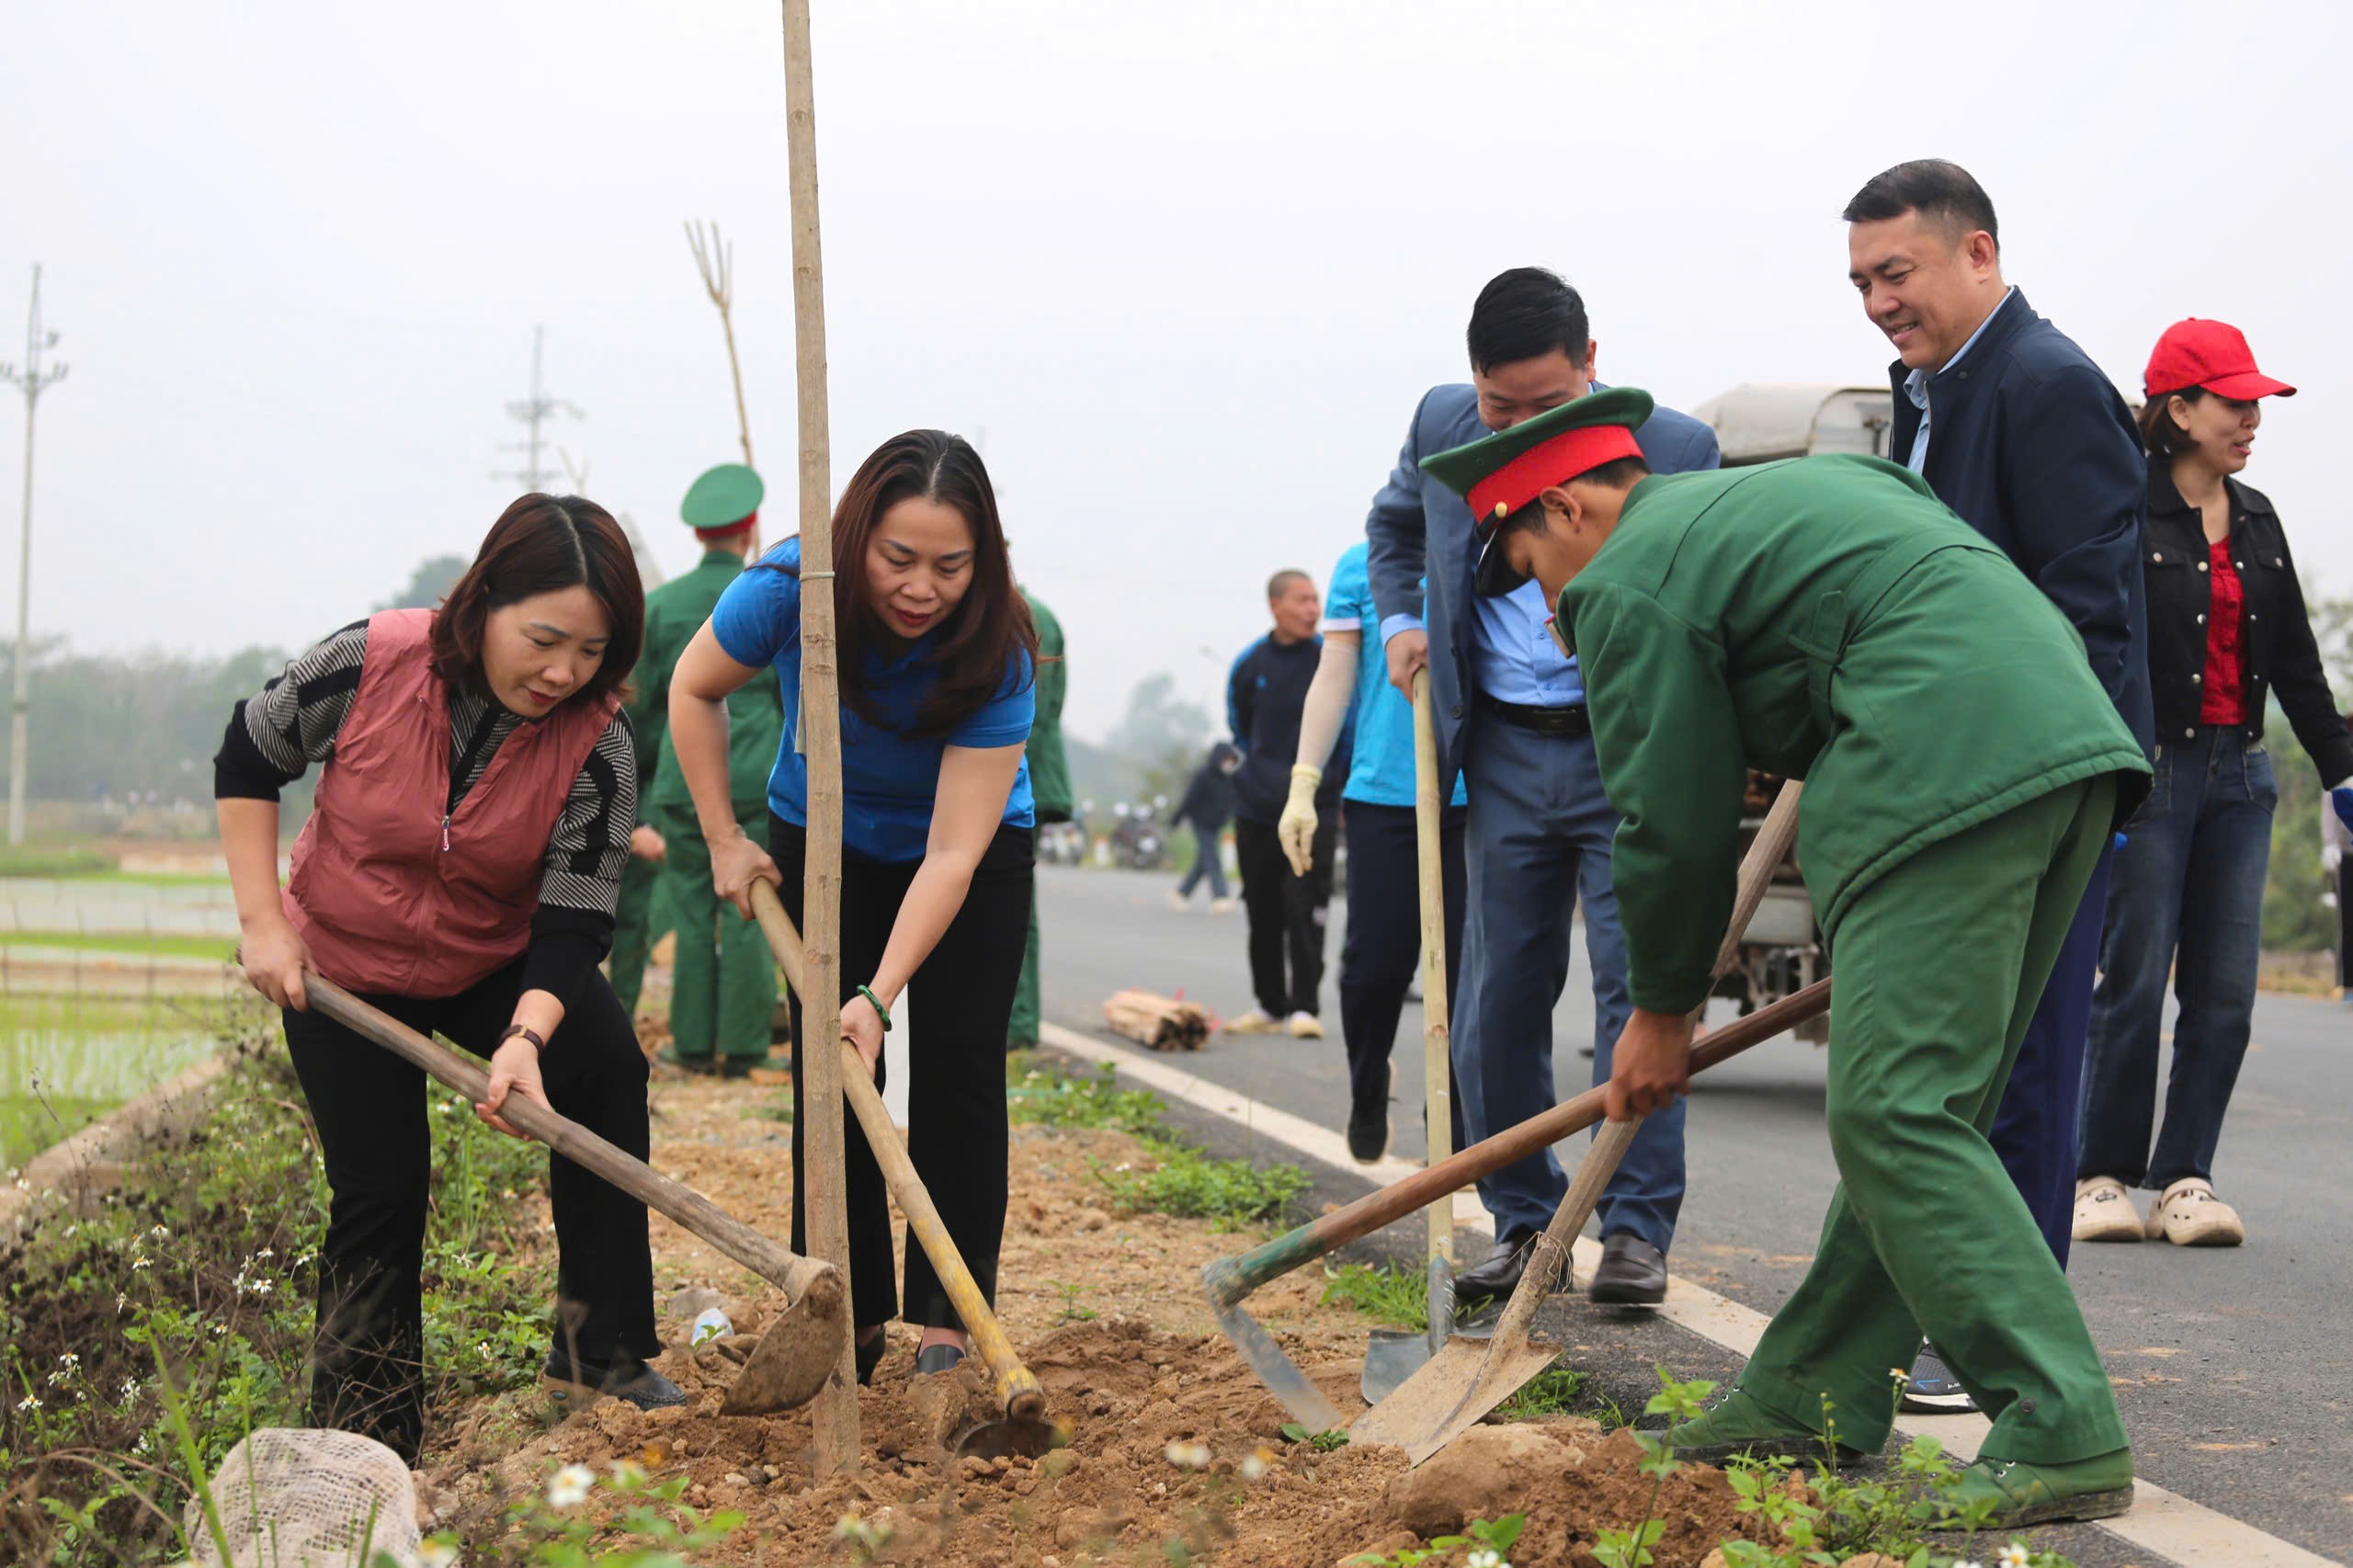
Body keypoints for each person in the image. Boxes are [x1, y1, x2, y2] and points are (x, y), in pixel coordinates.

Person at [1426, 385, 2147, 1528]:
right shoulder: (1775, 496)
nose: (1545, 605)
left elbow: (1666, 819)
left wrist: (1661, 1008)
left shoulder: (1629, 581)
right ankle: (1814, 1386)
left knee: (1896, 1113)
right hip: (2064, 746)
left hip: (1940, 757)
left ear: (1564, 508)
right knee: (1917, 1108)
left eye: (1528, 568)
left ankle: (2059, 1418)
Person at [213, 494, 675, 1463]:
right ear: (485, 598)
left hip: (489, 953)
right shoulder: (370, 658)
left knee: (604, 1071)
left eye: (591, 651)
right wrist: (263, 924)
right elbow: (250, 749)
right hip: (341, 956)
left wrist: (527, 1036)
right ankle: (366, 1432)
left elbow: (576, 913)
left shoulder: (600, 738)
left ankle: (603, 1353)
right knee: (381, 1187)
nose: (563, 671)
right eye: (546, 639)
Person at [1845, 158, 2152, 1410]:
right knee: (1954, 1061)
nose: (1877, 302)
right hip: (1953, 774)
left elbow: (2090, 612)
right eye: (1862, 281)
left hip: (2037, 780)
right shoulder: (1925, 387)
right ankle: (1955, 1316)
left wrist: (2013, 775)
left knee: (2021, 1060)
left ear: (1978, 251)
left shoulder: (2047, 384)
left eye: (1897, 273)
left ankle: (2006, 1349)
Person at [1364, 267, 1719, 1307]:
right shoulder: (1438, 424)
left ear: (1594, 369)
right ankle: (1525, 1221)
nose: (1517, 431)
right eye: (1498, 409)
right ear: (1470, 383)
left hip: (1626, 748)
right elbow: (1392, 530)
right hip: (1506, 749)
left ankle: (1635, 1228)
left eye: (1547, 408)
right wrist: (1403, 621)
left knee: (1640, 994)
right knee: (1493, 1003)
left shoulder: (1677, 449)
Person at [668, 428, 1037, 1381]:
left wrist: (881, 994)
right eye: (897, 559)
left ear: (982, 558)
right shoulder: (789, 590)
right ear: (856, 539)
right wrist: (723, 838)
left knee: (956, 1064)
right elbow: (692, 688)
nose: (922, 586)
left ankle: (953, 1318)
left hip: (966, 848)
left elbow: (954, 850)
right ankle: (844, 1304)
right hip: (820, 832)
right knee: (829, 1072)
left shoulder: (1000, 642)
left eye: (949, 565)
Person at [2076, 321, 2351, 1249]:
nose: (2250, 419)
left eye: (2255, 403)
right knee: (2134, 978)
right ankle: (2098, 1172)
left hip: (2243, 775)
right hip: (2149, 770)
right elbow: (2093, 651)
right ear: (2177, 409)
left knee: (2226, 990)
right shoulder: (2120, 513)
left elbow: (2300, 670)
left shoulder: (2260, 517)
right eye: (2233, 402)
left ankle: (2183, 1176)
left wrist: (2342, 769)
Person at [1279, 539, 1469, 1162]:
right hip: (1385, 791)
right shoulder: (1362, 565)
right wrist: (1304, 783)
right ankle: (1367, 1083)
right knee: (1375, 968)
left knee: (1474, 967)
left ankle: (1458, 1105)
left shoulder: (1505, 542)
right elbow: (1333, 678)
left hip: (1485, 792)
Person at [624, 464, 788, 1076]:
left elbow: (640, 712)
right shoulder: (769, 596)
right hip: (757, 775)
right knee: (751, 905)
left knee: (692, 909)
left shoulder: (659, 607)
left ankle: (691, 1046)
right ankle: (745, 1048)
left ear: (698, 535)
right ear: (750, 530)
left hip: (681, 777)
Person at [1225, 571, 1348, 1038]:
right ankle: (1270, 1004)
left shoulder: (1329, 660)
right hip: (1257, 804)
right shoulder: (1250, 664)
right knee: (1261, 907)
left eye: (1315, 600)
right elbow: (1239, 724)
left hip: (1316, 804)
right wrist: (1261, 772)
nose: (1312, 609)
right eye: (1301, 600)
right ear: (1275, 605)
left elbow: (1346, 725)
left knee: (1306, 903)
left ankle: (1305, 1007)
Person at [1009, 586, 1072, 1050]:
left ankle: (1015, 1023)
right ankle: (1019, 1021)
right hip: (1032, 772)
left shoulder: (1008, 612)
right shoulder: (1041, 613)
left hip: (1007, 774)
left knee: (1008, 902)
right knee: (1015, 900)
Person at [1167, 742, 1240, 911]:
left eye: (1231, 760)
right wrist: (1176, 819)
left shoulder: (1228, 779)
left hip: (1216, 825)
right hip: (1201, 823)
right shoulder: (1203, 776)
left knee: (1203, 861)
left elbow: (1231, 802)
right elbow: (1189, 799)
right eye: (1226, 759)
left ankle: (1181, 893)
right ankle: (1220, 896)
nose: (1229, 764)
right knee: (1212, 858)